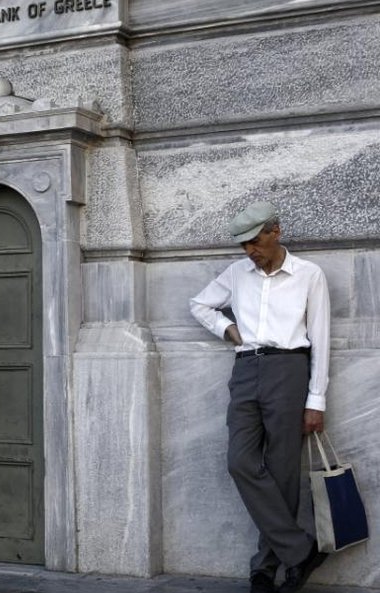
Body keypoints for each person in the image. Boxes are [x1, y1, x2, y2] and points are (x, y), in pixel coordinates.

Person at [190, 201, 330, 593]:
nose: (250, 250)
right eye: (243, 245)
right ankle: (300, 550)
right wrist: (227, 329)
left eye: (255, 241)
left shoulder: (308, 275)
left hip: (289, 369)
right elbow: (199, 304)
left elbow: (320, 338)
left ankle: (266, 567)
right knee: (240, 461)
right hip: (246, 369)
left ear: (275, 232)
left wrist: (315, 399)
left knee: (284, 469)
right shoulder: (237, 274)